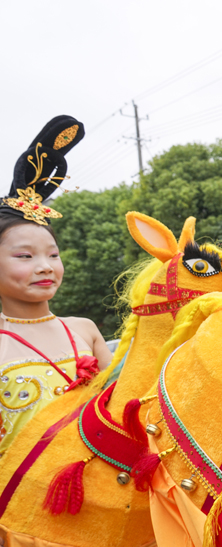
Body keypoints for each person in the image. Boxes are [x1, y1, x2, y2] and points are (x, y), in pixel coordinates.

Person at [0, 116, 112, 456]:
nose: (45, 266)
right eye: (24, 256)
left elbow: (123, 408)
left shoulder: (85, 330)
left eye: (53, 254)